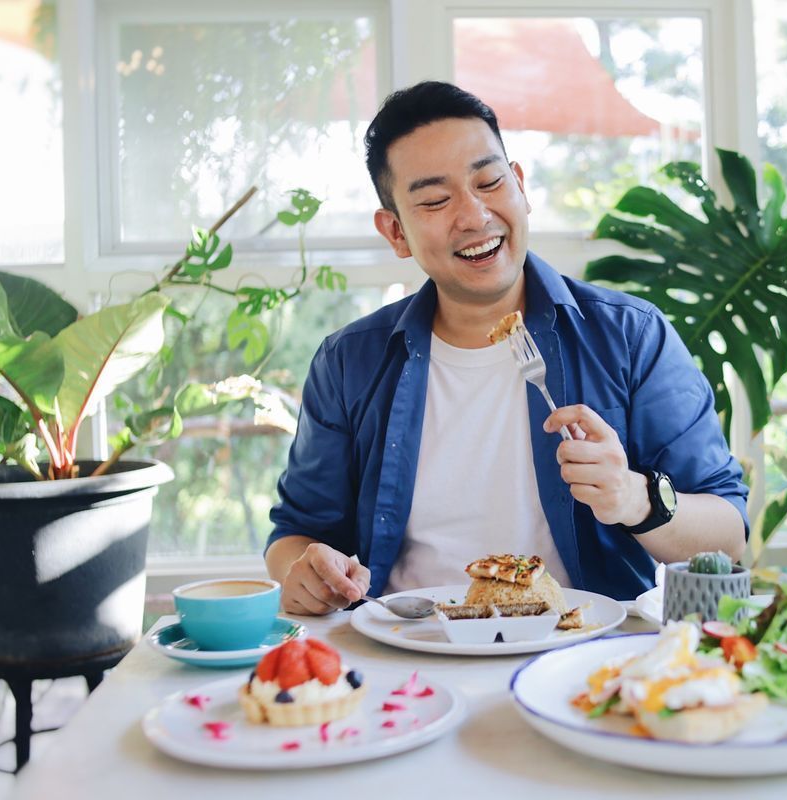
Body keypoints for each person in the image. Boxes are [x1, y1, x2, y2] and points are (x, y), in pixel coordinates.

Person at [265, 81, 748, 616]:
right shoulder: (348, 362)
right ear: (395, 231)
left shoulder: (630, 336)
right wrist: (305, 571)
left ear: (519, 185)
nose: (474, 216)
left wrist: (636, 499)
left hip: (582, 658)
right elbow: (297, 533)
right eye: (434, 200)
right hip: (406, 650)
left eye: (489, 182)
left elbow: (726, 535)